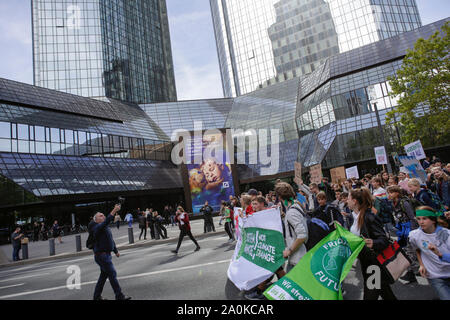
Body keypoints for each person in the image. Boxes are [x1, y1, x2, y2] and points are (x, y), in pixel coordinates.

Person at [347, 188, 397, 300]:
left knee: (370, 294)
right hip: (365, 262)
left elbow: (383, 240)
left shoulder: (369, 217)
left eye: (348, 198)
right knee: (386, 292)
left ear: (354, 201)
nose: (347, 201)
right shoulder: (352, 217)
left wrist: (373, 243)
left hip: (374, 264)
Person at [90, 204, 131, 300]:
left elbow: (111, 240)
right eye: (101, 216)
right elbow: (107, 220)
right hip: (102, 256)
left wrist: (115, 251)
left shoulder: (105, 227)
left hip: (106, 255)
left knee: (103, 277)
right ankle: (119, 296)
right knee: (112, 274)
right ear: (96, 220)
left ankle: (96, 297)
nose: (103, 216)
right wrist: (114, 210)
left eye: (103, 215)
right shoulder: (96, 228)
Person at [409, 206, 450, 300]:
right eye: (418, 219)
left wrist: (440, 254)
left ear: (433, 220)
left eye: (424, 218)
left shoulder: (447, 234)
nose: (421, 222)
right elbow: (417, 249)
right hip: (435, 275)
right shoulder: (414, 235)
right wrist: (421, 264)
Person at [387, 185, 420, 284]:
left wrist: (412, 231)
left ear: (397, 193)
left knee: (408, 251)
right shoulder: (393, 203)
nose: (389, 195)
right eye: (389, 193)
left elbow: (412, 217)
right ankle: (414, 271)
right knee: (406, 250)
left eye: (391, 192)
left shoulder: (404, 203)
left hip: (408, 229)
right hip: (402, 229)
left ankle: (413, 272)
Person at [276, 182, 308, 273]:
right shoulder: (296, 205)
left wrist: (289, 250)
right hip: (298, 257)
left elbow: (302, 235)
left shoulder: (291, 213)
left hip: (298, 258)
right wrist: (284, 216)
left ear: (280, 197)